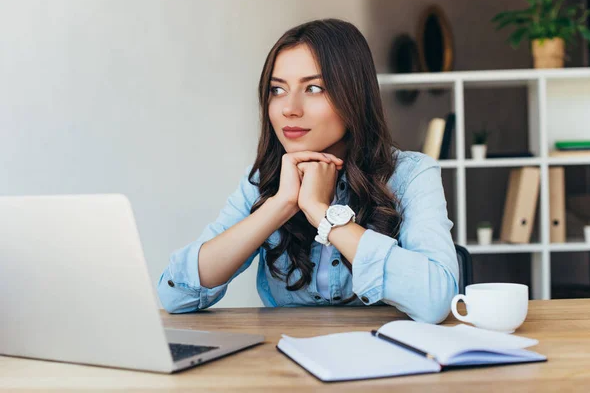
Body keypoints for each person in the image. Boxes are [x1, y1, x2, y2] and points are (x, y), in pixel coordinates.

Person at [157, 18, 458, 324]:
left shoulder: (410, 174)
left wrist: (321, 213)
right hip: (287, 360)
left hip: (391, 360)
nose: (290, 108)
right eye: (277, 90)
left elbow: (435, 301)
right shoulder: (263, 180)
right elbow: (176, 295)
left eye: (313, 88)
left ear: (354, 95)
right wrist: (281, 204)